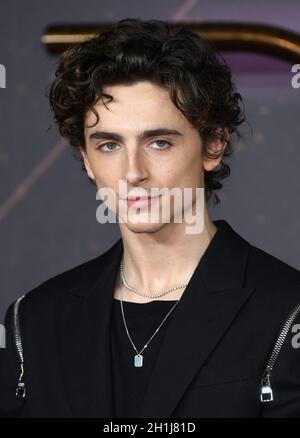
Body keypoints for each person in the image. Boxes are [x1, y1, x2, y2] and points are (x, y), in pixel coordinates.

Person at [0, 18, 300, 418]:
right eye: (109, 145)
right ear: (87, 159)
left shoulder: (285, 310)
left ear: (213, 144)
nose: (132, 172)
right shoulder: (33, 320)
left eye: (158, 142)